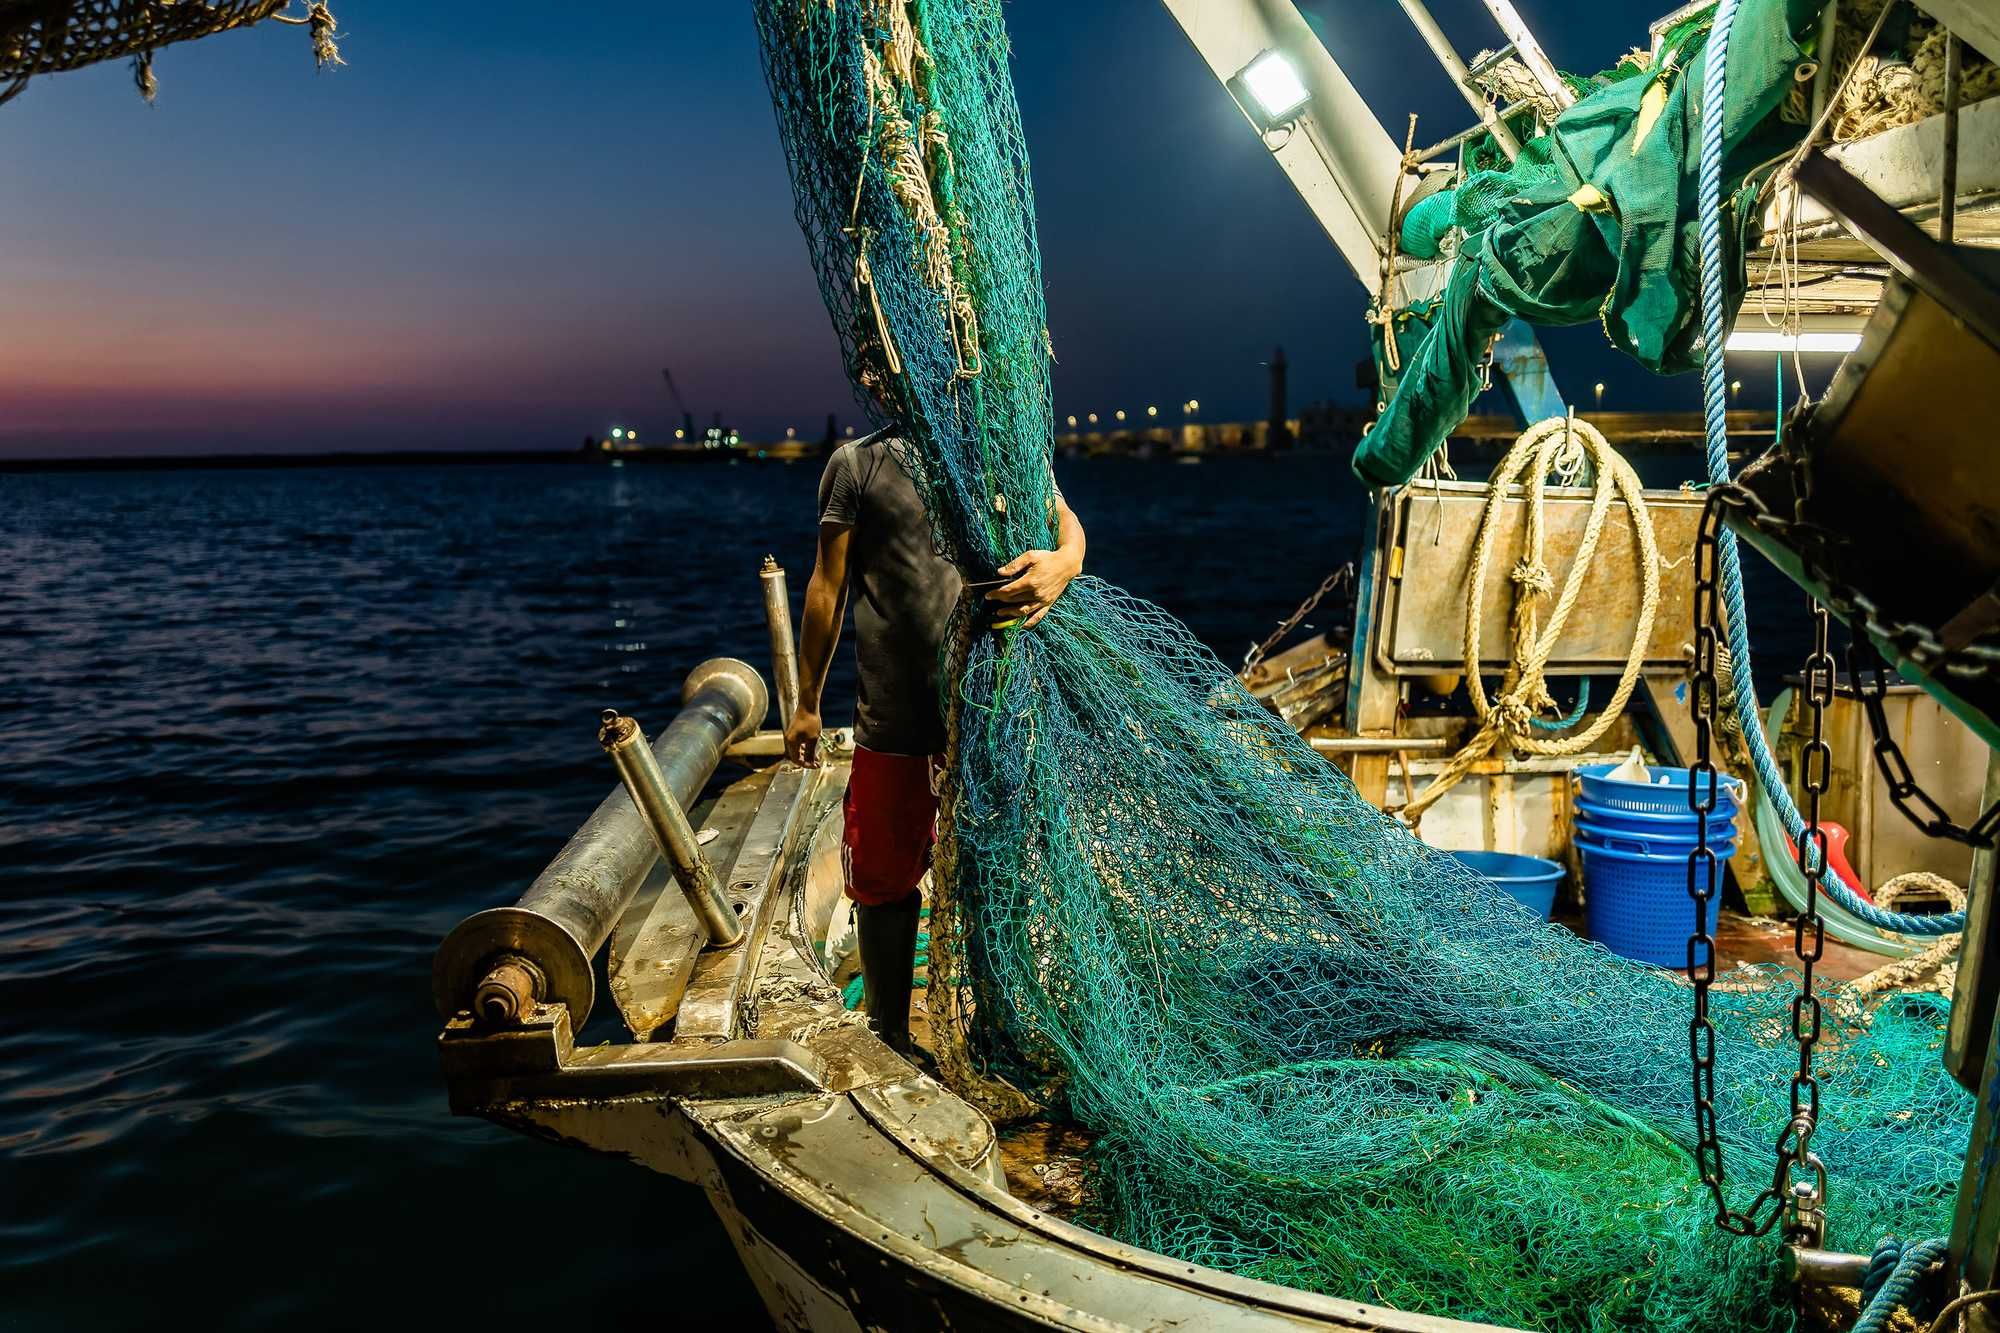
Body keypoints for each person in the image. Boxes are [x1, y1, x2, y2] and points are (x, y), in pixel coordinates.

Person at [785, 428, 1085, 1054]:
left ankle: (998, 1030)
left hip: (993, 712)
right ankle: (889, 1031)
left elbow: (1066, 525)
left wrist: (1065, 562)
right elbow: (825, 585)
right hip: (893, 720)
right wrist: (805, 702)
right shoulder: (856, 464)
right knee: (881, 878)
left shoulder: (996, 439)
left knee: (995, 870)